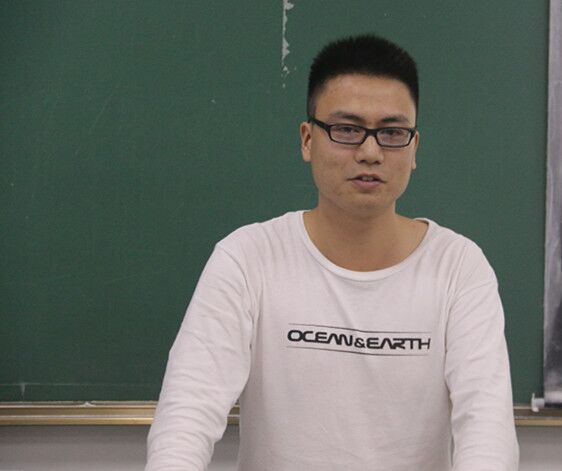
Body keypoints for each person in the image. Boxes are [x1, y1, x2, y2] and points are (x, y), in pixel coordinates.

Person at [146, 34, 519, 471]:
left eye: (392, 133)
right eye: (347, 130)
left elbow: (486, 428)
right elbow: (187, 413)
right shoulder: (247, 259)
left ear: (414, 147)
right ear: (308, 140)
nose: (370, 152)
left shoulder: (458, 267)